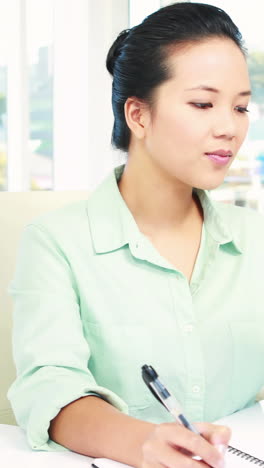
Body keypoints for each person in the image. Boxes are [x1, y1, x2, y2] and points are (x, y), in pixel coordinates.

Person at [7, 2, 264, 467]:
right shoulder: (55, 242)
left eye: (241, 106)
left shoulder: (257, 240)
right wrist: (141, 442)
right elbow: (49, 387)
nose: (229, 127)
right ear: (138, 116)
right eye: (203, 104)